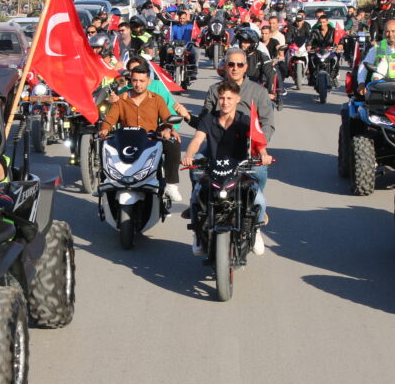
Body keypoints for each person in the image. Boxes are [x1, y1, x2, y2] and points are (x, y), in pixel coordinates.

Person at [182, 80, 273, 256]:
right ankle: (197, 233)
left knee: (259, 200)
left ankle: (256, 230)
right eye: (222, 98)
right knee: (196, 197)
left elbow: (257, 140)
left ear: (237, 99)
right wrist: (189, 156)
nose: (225, 102)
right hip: (214, 166)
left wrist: (263, 155)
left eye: (229, 98)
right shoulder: (209, 119)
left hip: (239, 167)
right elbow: (197, 140)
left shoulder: (243, 119)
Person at [98, 65, 184, 201]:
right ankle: (105, 180)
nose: (138, 84)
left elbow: (167, 120)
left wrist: (168, 129)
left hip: (150, 141)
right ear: (130, 81)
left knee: (173, 144)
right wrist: (105, 129)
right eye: (135, 80)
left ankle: (171, 185)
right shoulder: (121, 100)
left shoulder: (157, 99)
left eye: (142, 81)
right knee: (104, 144)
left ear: (148, 81)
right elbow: (110, 119)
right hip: (125, 141)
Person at [198, 48, 275, 190]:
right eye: (231, 64)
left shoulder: (258, 91)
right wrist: (186, 117)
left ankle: (257, 204)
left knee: (258, 173)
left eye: (239, 65)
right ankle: (198, 202)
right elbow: (204, 121)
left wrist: (257, 146)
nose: (235, 68)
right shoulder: (214, 90)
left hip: (247, 147)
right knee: (195, 168)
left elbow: (267, 123)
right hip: (217, 145)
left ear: (245, 67)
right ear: (225, 66)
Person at [115, 55, 192, 130]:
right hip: (128, 133)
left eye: (138, 69)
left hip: (155, 132)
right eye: (131, 70)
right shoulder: (124, 90)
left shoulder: (158, 86)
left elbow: (171, 111)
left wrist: (170, 130)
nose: (135, 72)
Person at [356, 19, 395, 90]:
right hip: (381, 87)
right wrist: (361, 83)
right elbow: (364, 65)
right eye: (387, 32)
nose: (390, 34)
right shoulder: (379, 47)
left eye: (393, 31)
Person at [234, 29, 278, 100]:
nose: (242, 44)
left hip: (256, 90)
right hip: (236, 90)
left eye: (245, 42)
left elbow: (270, 74)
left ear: (253, 43)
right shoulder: (235, 55)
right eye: (241, 41)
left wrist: (270, 92)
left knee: (268, 106)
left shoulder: (262, 56)